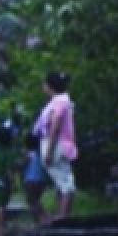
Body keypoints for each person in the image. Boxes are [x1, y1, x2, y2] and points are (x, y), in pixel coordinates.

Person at [33, 71, 78, 223]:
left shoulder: (59, 102)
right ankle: (62, 214)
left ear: (50, 86)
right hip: (57, 144)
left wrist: (50, 151)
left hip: (56, 145)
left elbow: (55, 125)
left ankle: (63, 217)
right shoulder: (61, 100)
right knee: (63, 182)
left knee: (65, 184)